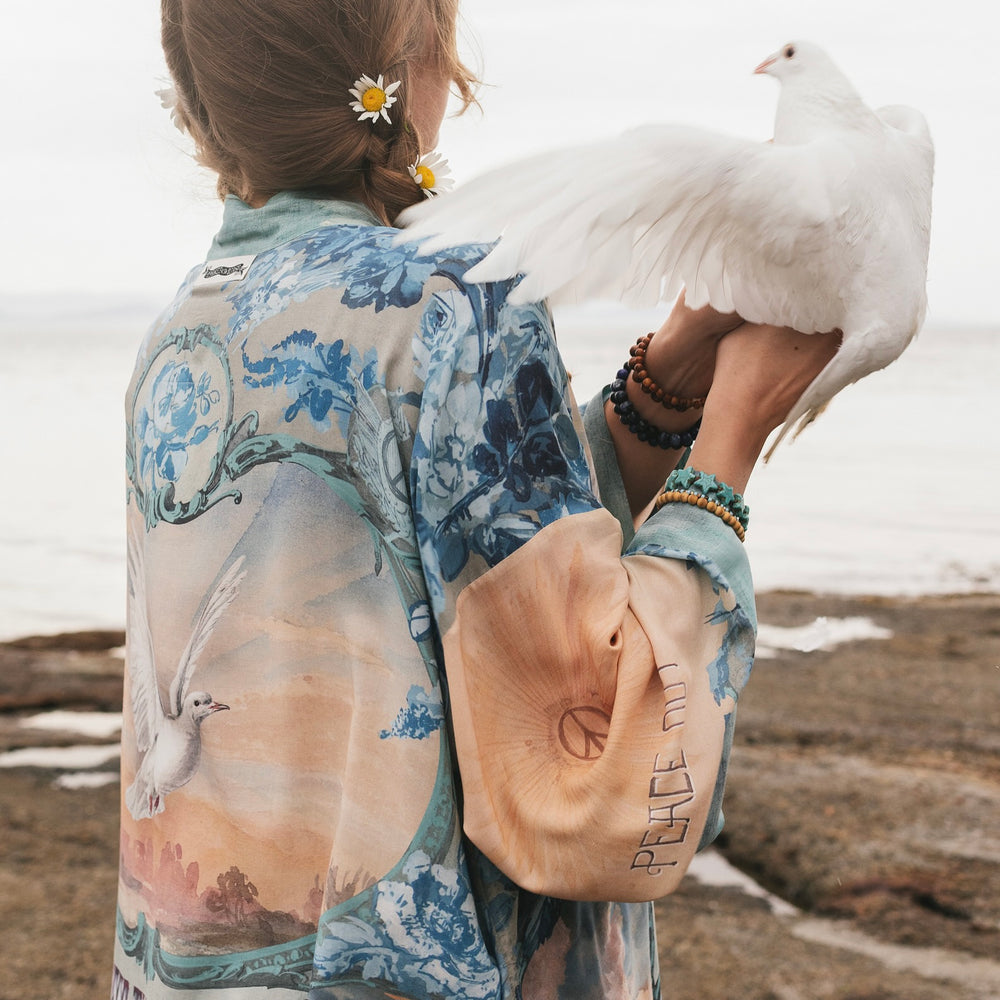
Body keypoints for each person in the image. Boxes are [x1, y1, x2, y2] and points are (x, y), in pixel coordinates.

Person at [112, 2, 840, 998]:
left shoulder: (182, 328)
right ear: (409, 61)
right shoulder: (459, 296)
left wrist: (665, 379)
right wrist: (730, 441)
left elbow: (444, 533)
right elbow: (597, 747)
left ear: (208, 102)